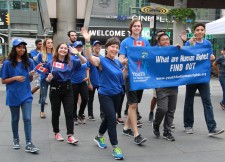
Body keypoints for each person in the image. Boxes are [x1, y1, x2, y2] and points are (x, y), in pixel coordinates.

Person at [82, 27, 124, 160]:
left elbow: (121, 74)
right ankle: (116, 147)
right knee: (112, 119)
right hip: (105, 94)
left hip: (117, 94)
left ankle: (99, 137)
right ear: (107, 48)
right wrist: (87, 41)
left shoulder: (117, 62)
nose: (115, 49)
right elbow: (89, 57)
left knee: (108, 118)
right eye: (112, 46)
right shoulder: (101, 61)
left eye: (117, 47)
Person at [183, 23, 225, 136]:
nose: (200, 31)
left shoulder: (208, 43)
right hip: (192, 77)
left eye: (202, 30)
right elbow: (185, 57)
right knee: (189, 101)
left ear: (204, 32)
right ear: (194, 31)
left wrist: (212, 58)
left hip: (203, 77)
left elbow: (210, 57)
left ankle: (212, 128)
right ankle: (188, 125)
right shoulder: (189, 42)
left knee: (207, 102)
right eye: (198, 30)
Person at [1, 38, 39, 153]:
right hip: (13, 94)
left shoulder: (29, 62)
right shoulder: (7, 63)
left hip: (26, 94)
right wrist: (15, 78)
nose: (21, 49)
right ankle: (15, 139)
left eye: (23, 47)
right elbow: (3, 81)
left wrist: (32, 75)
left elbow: (31, 79)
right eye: (19, 47)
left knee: (27, 118)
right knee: (15, 119)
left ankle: (29, 142)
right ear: (14, 48)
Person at [45, 42, 88, 144]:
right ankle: (56, 132)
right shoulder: (51, 62)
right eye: (61, 48)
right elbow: (46, 79)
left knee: (69, 113)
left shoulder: (72, 60)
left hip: (68, 89)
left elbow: (84, 61)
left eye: (65, 48)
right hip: (55, 89)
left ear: (68, 50)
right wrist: (48, 78)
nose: (63, 50)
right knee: (56, 113)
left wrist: (77, 53)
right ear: (57, 49)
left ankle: (70, 135)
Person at [119, 19, 149, 145]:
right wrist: (129, 60)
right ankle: (136, 134)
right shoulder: (125, 42)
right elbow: (120, 59)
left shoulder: (145, 41)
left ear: (141, 28)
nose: (137, 28)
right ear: (131, 28)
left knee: (135, 104)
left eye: (139, 26)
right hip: (130, 77)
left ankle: (126, 128)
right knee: (133, 105)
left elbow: (150, 56)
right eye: (135, 26)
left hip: (141, 77)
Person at [152, 33, 178, 141]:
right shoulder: (155, 52)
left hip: (173, 85)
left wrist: (181, 47)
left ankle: (167, 131)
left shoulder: (174, 51)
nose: (166, 41)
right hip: (161, 85)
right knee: (162, 108)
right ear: (159, 43)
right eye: (163, 40)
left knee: (171, 110)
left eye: (167, 39)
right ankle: (156, 124)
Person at [71, 41, 89, 125]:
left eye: (80, 47)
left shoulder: (83, 57)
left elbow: (87, 67)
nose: (79, 48)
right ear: (74, 48)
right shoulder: (72, 58)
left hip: (82, 82)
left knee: (85, 98)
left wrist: (88, 78)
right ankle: (74, 116)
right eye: (77, 47)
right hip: (73, 82)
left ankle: (80, 114)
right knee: (74, 100)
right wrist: (77, 54)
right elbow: (82, 62)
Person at [149, 30, 165, 123]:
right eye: (160, 37)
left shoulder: (169, 48)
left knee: (167, 99)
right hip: (156, 77)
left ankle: (166, 119)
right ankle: (151, 112)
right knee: (156, 97)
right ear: (157, 39)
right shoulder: (153, 49)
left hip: (167, 78)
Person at [37, 38, 54, 118]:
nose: (50, 44)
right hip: (44, 78)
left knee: (54, 96)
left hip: (54, 78)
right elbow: (38, 67)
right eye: (48, 43)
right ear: (45, 44)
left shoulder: (55, 54)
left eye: (51, 42)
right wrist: (47, 73)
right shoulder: (41, 54)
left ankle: (54, 111)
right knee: (43, 96)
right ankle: (42, 111)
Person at [87, 40, 102, 121]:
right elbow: (87, 71)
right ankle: (90, 114)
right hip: (92, 82)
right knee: (90, 99)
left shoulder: (102, 58)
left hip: (101, 83)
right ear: (93, 47)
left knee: (102, 99)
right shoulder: (90, 58)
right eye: (96, 46)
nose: (97, 47)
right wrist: (89, 83)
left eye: (99, 46)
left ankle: (102, 114)